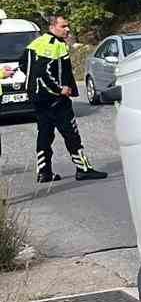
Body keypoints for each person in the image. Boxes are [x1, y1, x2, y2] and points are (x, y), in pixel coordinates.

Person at [25, 16, 106, 182]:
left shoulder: (35, 43)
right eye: (64, 26)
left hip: (39, 100)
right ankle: (83, 169)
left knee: (45, 135)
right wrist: (59, 89)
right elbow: (42, 71)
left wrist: (35, 88)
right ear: (53, 26)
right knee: (71, 133)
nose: (67, 29)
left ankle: (44, 172)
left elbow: (23, 64)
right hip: (55, 99)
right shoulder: (52, 45)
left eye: (68, 26)